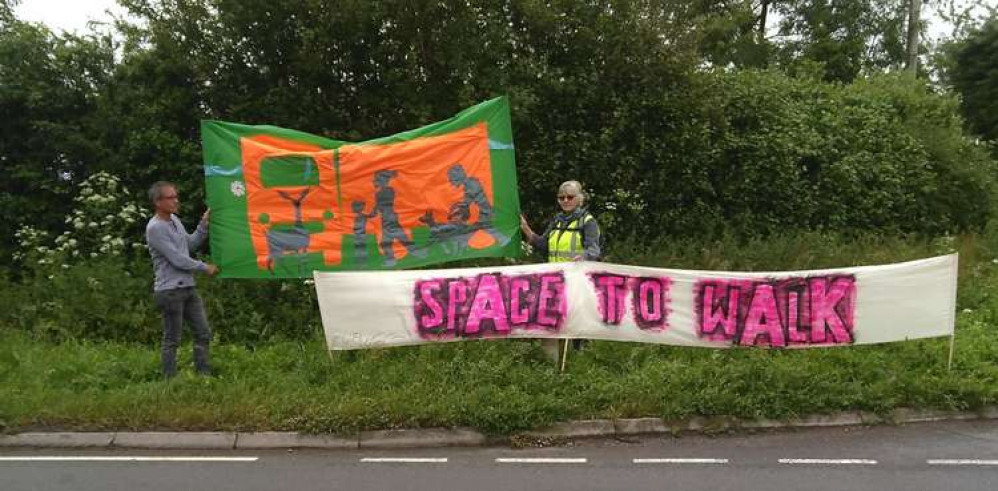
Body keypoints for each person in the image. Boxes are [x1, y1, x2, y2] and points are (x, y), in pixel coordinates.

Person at [519, 180, 600, 364]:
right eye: (561, 197)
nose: (565, 200)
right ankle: (551, 371)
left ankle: (583, 366)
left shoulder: (588, 222)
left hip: (578, 282)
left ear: (580, 199)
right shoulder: (556, 220)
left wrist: (584, 256)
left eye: (570, 197)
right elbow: (543, 245)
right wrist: (526, 229)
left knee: (579, 327)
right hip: (554, 283)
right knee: (550, 325)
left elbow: (594, 250)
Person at [146, 181, 220, 378]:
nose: (176, 201)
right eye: (170, 197)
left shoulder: (174, 221)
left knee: (203, 332)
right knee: (172, 339)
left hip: (188, 287)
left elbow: (190, 244)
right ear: (158, 202)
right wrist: (205, 267)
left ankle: (203, 376)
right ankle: (170, 382)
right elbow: (177, 259)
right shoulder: (155, 228)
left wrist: (204, 224)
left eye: (175, 196)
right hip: (170, 291)